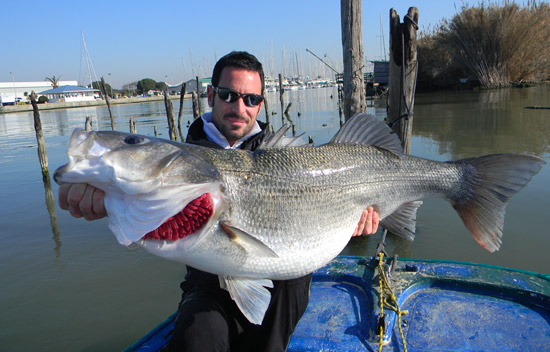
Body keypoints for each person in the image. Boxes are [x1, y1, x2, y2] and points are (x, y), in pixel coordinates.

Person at [57, 51, 379, 351]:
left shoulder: (287, 155)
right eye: (228, 95)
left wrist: (353, 220)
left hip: (284, 278)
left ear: (261, 104)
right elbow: (142, 200)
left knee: (292, 285)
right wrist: (103, 194)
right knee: (196, 336)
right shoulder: (186, 157)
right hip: (208, 283)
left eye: (251, 99)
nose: (239, 108)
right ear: (210, 95)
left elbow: (328, 209)